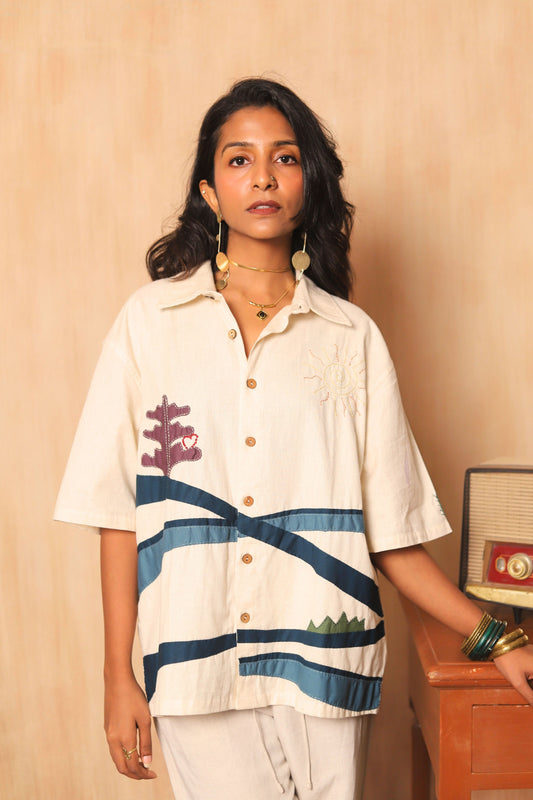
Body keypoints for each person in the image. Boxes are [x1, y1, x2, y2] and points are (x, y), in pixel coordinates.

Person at [54, 78, 533, 800]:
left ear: (308, 181)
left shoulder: (350, 338)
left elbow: (392, 537)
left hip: (326, 660)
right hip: (192, 659)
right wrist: (116, 675)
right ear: (209, 192)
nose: (263, 176)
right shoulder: (149, 323)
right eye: (239, 160)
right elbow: (120, 513)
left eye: (284, 157)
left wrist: (500, 638)